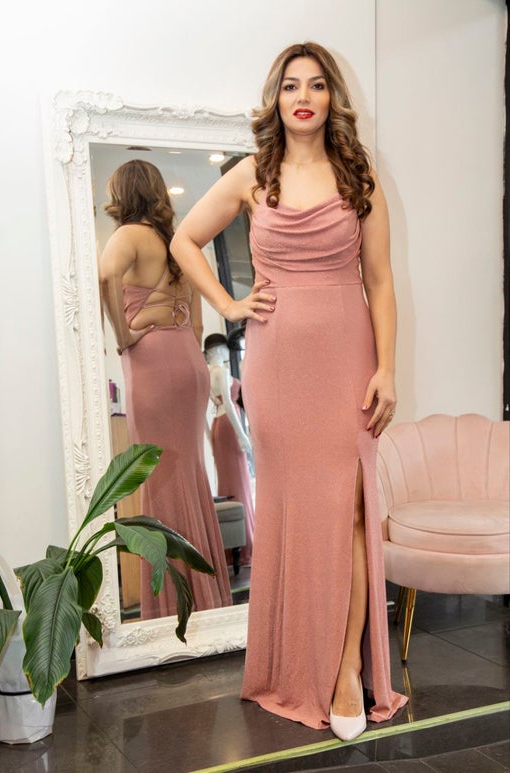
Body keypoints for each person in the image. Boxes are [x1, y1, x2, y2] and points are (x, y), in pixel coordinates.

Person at [170, 42, 408, 739]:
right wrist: (230, 304)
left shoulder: (357, 176)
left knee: (354, 514)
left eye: (317, 85)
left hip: (347, 358)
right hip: (276, 368)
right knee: (295, 514)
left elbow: (383, 282)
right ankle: (291, 661)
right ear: (276, 99)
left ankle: (344, 670)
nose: (303, 95)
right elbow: (187, 240)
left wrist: (387, 366)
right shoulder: (254, 174)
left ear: (332, 98)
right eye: (290, 85)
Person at [98, 159, 232, 619]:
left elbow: (105, 275)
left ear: (123, 193)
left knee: (158, 477)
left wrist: (123, 336)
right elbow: (195, 324)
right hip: (186, 363)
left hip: (152, 363)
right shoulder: (178, 243)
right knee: (190, 476)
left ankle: (174, 606)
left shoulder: (128, 236)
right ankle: (205, 597)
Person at [204, 333, 255, 567]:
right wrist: (242, 435)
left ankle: (233, 546)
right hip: (228, 427)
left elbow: (205, 413)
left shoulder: (206, 375)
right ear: (219, 351)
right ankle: (245, 546)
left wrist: (210, 437)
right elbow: (229, 405)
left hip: (217, 426)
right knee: (239, 483)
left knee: (229, 486)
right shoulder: (221, 372)